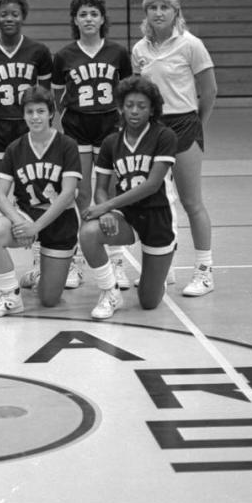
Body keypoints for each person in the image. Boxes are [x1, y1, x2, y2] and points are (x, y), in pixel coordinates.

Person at [131, 0, 217, 296]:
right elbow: (140, 96)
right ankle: (161, 269)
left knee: (191, 201)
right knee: (155, 202)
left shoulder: (191, 45)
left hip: (185, 125)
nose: (158, 13)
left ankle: (204, 271)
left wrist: (196, 125)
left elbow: (209, 91)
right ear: (146, 12)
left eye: (164, 7)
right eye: (153, 7)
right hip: (154, 129)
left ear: (175, 12)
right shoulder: (139, 49)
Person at [0, 0, 53, 289]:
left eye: (15, 14)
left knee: (40, 195)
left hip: (29, 133)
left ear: (23, 17)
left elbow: (44, 96)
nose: (9, 19)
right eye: (4, 14)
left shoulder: (39, 52)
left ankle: (42, 260)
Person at [52, 0, 132, 291]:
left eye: (93, 14)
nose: (88, 19)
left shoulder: (118, 53)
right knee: (81, 193)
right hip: (77, 125)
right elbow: (58, 98)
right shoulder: (64, 56)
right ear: (75, 19)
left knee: (109, 193)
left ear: (102, 19)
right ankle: (79, 259)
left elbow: (127, 93)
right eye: (83, 14)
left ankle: (117, 260)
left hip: (109, 124)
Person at [78, 75, 178, 320]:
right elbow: (101, 186)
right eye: (130, 105)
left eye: (142, 106)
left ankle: (158, 275)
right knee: (89, 232)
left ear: (152, 109)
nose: (135, 111)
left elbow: (152, 185)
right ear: (121, 107)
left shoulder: (164, 137)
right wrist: (109, 212)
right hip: (127, 215)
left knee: (148, 301)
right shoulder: (111, 142)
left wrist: (107, 206)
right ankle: (110, 292)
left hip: (159, 216)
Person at [0, 86, 81, 318]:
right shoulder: (15, 148)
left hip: (60, 219)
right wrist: (18, 222)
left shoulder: (67, 145)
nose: (35, 117)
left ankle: (39, 275)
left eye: (41, 111)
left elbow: (67, 195)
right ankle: (10, 296)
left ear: (51, 113)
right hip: (26, 215)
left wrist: (36, 227)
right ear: (23, 114)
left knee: (49, 300)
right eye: (30, 111)